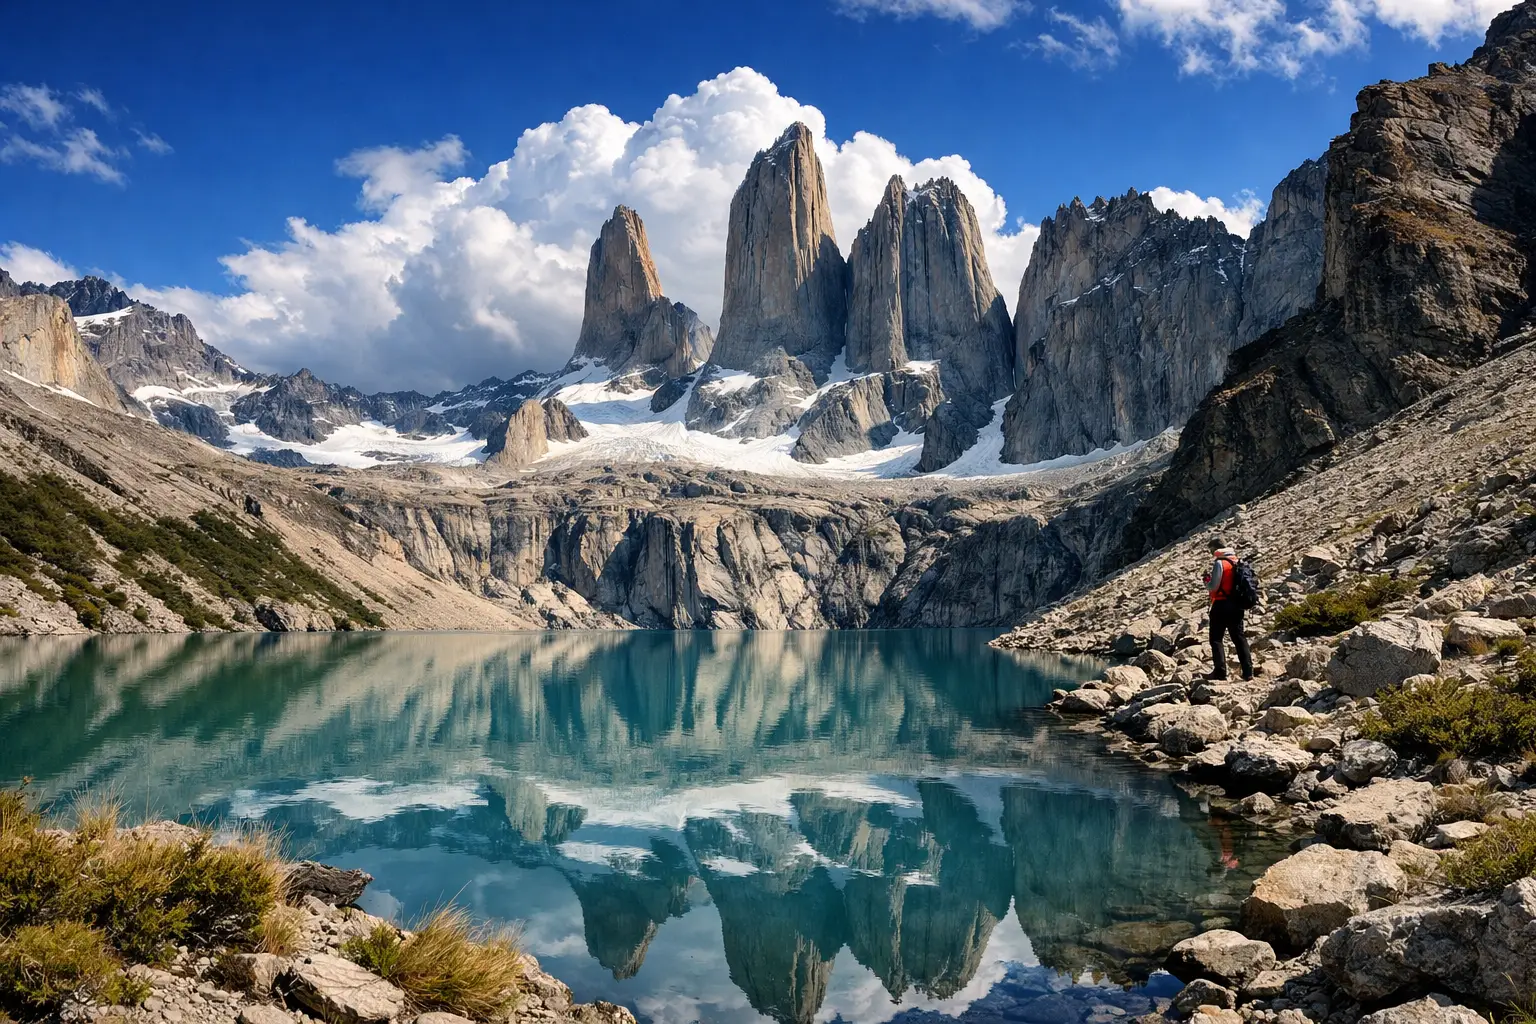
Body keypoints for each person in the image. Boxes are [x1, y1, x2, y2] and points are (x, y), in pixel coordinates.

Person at [1204, 538, 1253, 681]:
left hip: (1221, 604)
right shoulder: (1236, 561)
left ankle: (1220, 672)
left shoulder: (1220, 563)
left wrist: (1207, 581)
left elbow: (1214, 586)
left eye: (1211, 550)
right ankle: (1248, 672)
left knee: (1216, 639)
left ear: (1215, 549)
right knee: (1239, 638)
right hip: (1237, 604)